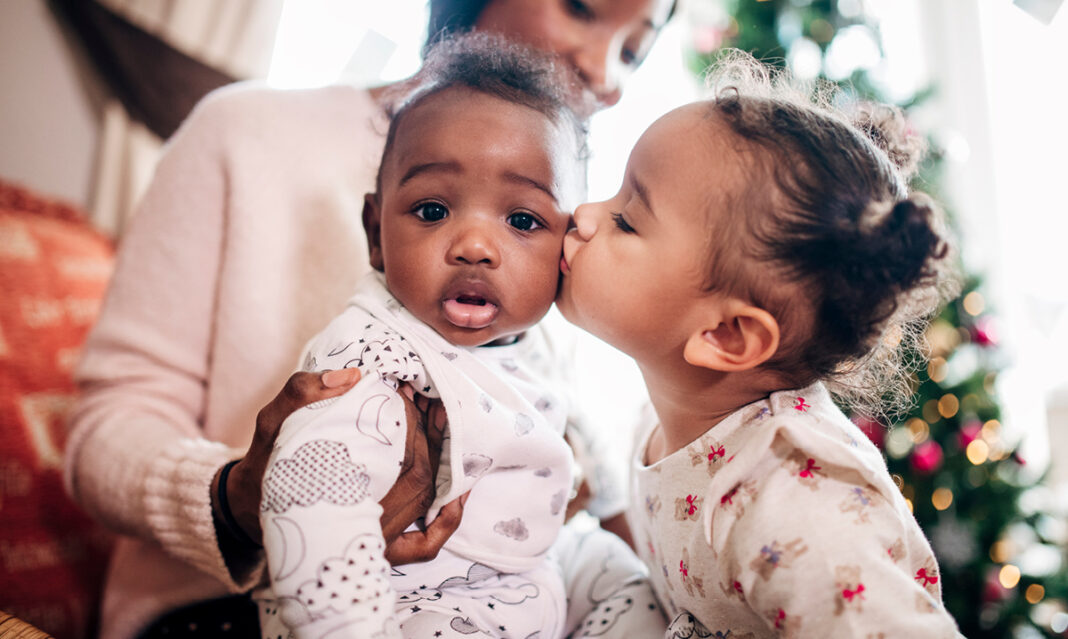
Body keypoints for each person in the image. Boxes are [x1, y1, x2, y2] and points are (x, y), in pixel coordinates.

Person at [64, 0, 675, 637]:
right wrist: (239, 501)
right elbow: (104, 430)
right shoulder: (244, 133)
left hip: (505, 590)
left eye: (634, 50)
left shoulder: (554, 230)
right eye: (582, 9)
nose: (604, 72)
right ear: (375, 229)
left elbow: (577, 447)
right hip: (225, 608)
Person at [254, 34, 663, 639]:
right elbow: (310, 496)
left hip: (532, 572)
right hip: (417, 600)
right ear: (375, 233)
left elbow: (590, 469)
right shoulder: (375, 358)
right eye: (432, 210)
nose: (474, 245)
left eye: (523, 220)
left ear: (568, 249)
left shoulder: (537, 343)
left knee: (636, 592)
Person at [554, 54, 964, 636]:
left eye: (626, 220)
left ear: (728, 335)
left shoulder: (794, 498)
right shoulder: (667, 418)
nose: (584, 215)